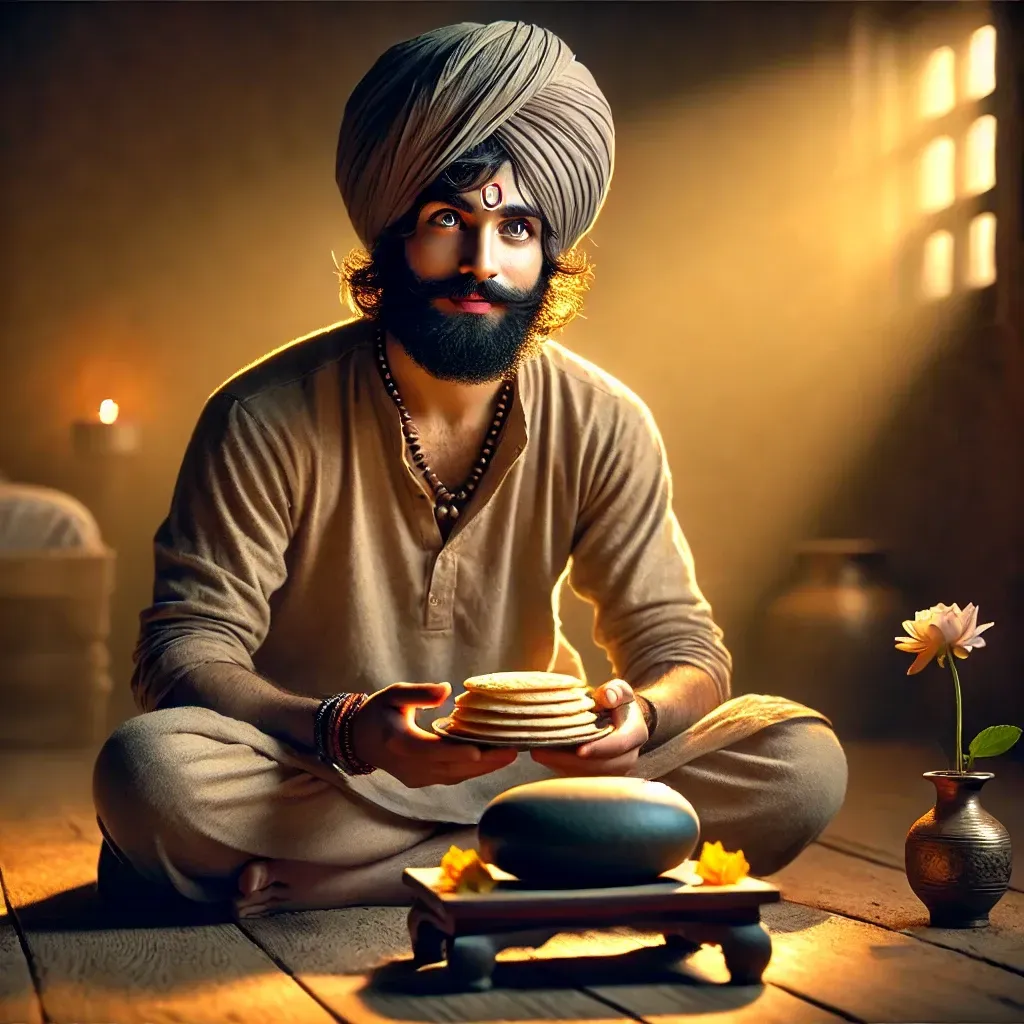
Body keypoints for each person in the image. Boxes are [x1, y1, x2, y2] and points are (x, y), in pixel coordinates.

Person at [93, 20, 847, 920]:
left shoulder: (606, 419)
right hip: (327, 770)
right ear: (393, 235)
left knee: (803, 761)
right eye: (449, 219)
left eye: (517, 227)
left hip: (538, 778)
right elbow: (185, 651)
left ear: (547, 253)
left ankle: (380, 879)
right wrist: (344, 724)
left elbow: (683, 651)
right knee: (149, 773)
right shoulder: (263, 415)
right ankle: (559, 864)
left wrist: (638, 718)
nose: (481, 263)